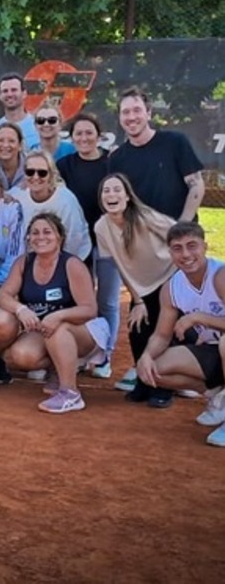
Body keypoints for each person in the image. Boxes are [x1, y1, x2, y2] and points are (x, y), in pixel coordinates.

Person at [0, 212, 110, 412]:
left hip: (82, 330)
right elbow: (3, 295)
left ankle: (70, 393)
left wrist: (59, 316)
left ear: (59, 237)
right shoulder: (24, 262)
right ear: (28, 238)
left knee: (58, 329)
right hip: (45, 330)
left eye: (47, 232)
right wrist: (20, 309)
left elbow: (89, 310)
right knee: (20, 355)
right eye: (35, 233)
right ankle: (57, 368)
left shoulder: (72, 264)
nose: (40, 237)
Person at [135, 222, 225, 446]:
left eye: (192, 245)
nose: (185, 254)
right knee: (154, 369)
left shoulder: (220, 275)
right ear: (170, 253)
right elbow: (162, 335)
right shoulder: (171, 288)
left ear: (205, 246)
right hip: (213, 350)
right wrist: (146, 356)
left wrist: (198, 318)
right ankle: (217, 395)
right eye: (177, 248)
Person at [94, 173, 177, 408]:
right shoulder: (101, 227)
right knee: (137, 331)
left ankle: (164, 386)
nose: (111, 195)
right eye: (106, 191)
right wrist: (137, 300)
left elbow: (177, 234)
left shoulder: (145, 217)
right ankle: (144, 381)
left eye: (117, 190)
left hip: (167, 279)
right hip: (142, 287)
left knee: (163, 332)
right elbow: (120, 265)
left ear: (128, 196)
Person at [57, 112, 119, 378]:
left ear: (98, 136)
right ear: (72, 138)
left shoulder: (112, 162)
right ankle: (82, 352)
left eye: (88, 133)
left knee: (108, 301)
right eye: (78, 134)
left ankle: (105, 356)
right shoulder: (64, 164)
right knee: (80, 299)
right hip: (77, 241)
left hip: (108, 240)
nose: (84, 138)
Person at [110, 85, 204, 221]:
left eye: (137, 110)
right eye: (125, 112)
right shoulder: (116, 159)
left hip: (179, 231)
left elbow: (196, 185)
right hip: (140, 231)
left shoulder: (175, 142)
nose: (131, 117)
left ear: (148, 113)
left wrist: (182, 224)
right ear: (119, 117)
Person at [8, 150, 91, 261]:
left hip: (71, 257)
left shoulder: (66, 201)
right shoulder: (17, 195)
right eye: (30, 172)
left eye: (42, 173)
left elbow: (74, 239)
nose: (35, 177)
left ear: (51, 175)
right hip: (31, 258)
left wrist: (60, 265)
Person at [0, 73, 41, 155]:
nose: (9, 94)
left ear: (24, 93)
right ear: (0, 96)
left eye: (14, 90)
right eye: (5, 91)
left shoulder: (39, 126)